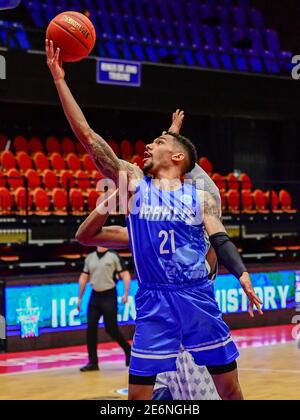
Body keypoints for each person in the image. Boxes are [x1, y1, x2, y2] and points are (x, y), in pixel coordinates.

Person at [46, 42, 263, 400]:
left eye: (158, 141)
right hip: (155, 303)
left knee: (230, 391)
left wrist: (241, 274)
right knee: (138, 400)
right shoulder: (133, 186)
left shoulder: (201, 198)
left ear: (178, 155)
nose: (148, 145)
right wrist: (59, 81)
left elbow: (221, 239)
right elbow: (89, 138)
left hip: (196, 298)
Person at [78, 246, 132, 372]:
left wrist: (126, 293)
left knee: (111, 329)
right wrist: (79, 298)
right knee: (91, 328)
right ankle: (93, 362)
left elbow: (125, 274)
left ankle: (128, 350)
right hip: (95, 296)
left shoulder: (113, 255)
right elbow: (84, 277)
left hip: (109, 295)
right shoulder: (90, 257)